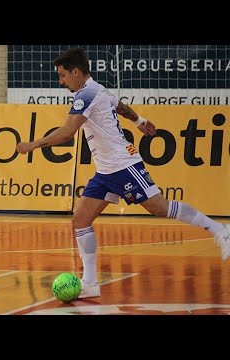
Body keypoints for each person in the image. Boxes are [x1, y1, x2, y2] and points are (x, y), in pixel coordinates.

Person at [16, 48, 230, 299]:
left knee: (160, 208)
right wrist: (138, 120)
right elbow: (119, 105)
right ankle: (90, 283)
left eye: (63, 76)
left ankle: (220, 230)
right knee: (80, 220)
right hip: (106, 171)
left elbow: (67, 132)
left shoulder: (86, 94)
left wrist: (33, 145)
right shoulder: (99, 89)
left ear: (75, 72)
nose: (61, 81)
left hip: (124, 166)